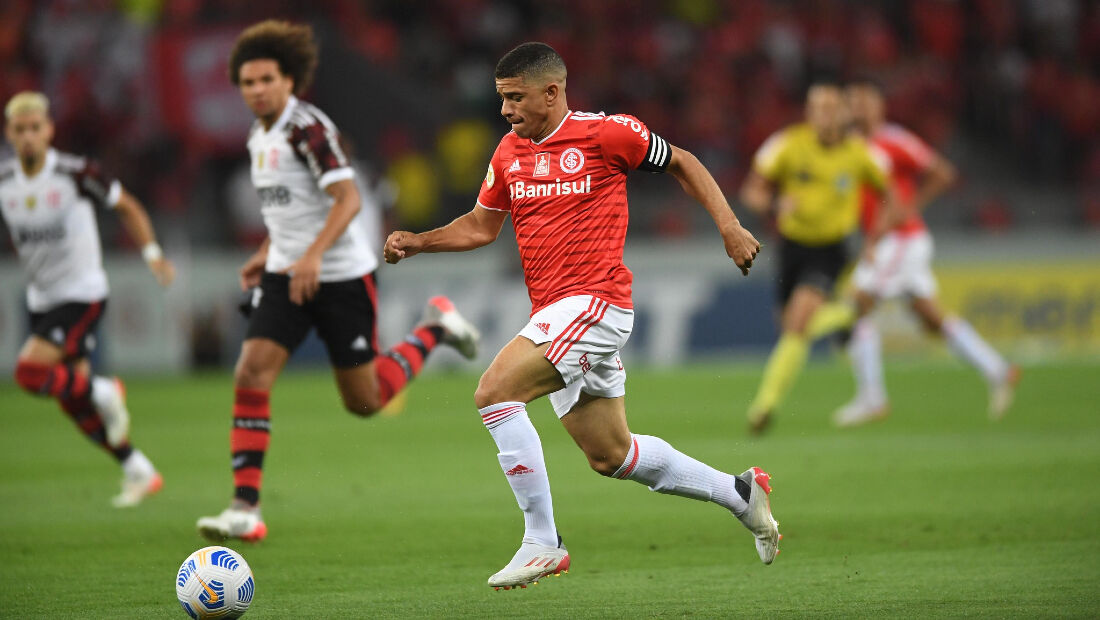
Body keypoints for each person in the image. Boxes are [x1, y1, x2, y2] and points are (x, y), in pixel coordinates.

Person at [384, 42, 779, 590]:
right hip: (556, 312)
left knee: (495, 392)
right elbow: (480, 225)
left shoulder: (607, 133)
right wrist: (420, 241)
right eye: (502, 99)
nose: (506, 110)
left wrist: (730, 227)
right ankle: (738, 493)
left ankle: (542, 541)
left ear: (552, 92)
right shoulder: (507, 152)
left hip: (595, 302)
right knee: (611, 454)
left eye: (515, 97)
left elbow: (683, 161)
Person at [196, 21, 480, 542]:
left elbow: (348, 200)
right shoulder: (258, 136)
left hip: (342, 277)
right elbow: (288, 212)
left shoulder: (309, 130)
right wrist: (267, 253)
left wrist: (312, 257)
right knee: (251, 373)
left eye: (265, 79)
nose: (256, 90)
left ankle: (436, 327)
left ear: (289, 81)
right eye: (247, 82)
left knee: (364, 401)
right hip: (288, 273)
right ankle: (244, 506)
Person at [2, 91, 174, 507]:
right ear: (9, 134)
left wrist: (152, 254)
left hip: (83, 293)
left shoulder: (76, 173)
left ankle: (104, 389)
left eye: (35, 128)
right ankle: (137, 468)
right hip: (42, 298)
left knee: (28, 373)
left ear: (49, 131)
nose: (28, 137)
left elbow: (128, 206)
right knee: (70, 400)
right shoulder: (5, 182)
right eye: (19, 130)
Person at [831, 79, 1020, 427]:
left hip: (900, 239)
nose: (856, 108)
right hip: (892, 240)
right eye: (851, 102)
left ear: (878, 107)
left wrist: (911, 205)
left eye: (862, 102)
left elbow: (943, 172)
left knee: (857, 304)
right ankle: (998, 370)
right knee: (931, 317)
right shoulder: (850, 147)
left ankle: (872, 398)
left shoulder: (894, 140)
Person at [739, 79, 895, 434]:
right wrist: (776, 203)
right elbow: (752, 192)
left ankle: (763, 406)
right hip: (791, 246)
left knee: (799, 322)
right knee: (790, 329)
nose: (823, 116)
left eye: (830, 108)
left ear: (843, 113)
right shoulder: (787, 144)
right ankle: (847, 312)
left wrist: (875, 238)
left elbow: (890, 196)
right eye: (816, 108)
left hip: (832, 249)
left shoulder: (860, 153)